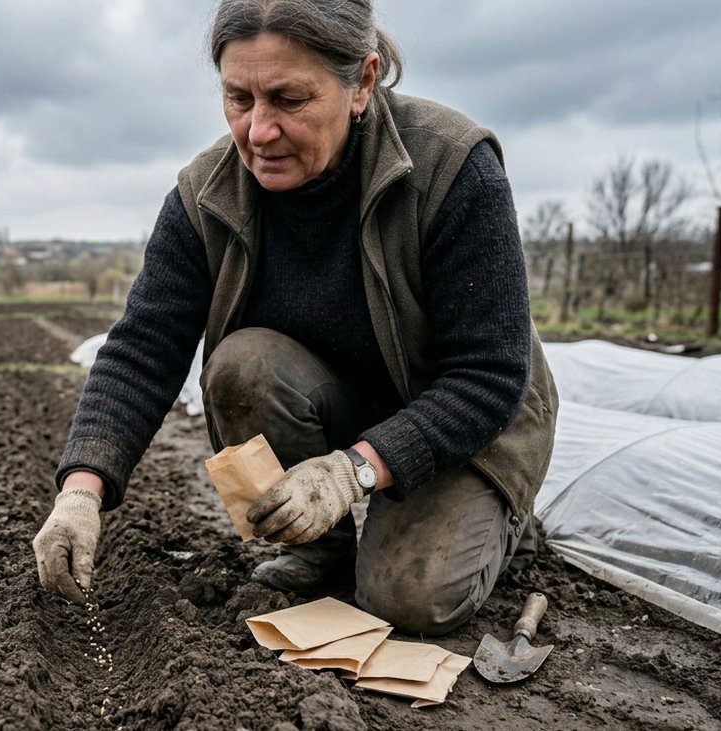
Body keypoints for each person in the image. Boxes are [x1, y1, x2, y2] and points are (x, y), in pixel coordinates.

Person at [33, 0, 557, 636]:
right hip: (338, 395)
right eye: (238, 98)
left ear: (362, 82)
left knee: (410, 599)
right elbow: (144, 346)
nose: (258, 131)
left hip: (460, 413)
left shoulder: (450, 166)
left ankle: (505, 516)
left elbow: (489, 374)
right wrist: (81, 492)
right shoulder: (206, 195)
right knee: (241, 365)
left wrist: (352, 470)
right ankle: (319, 547)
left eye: (288, 100)